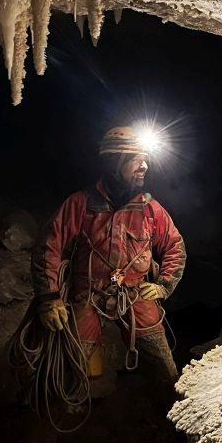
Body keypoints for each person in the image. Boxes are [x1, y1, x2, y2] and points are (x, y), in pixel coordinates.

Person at [30, 125, 186, 399]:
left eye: (146, 159)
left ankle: (169, 412)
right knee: (74, 366)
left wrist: (163, 285)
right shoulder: (80, 204)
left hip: (134, 295)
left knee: (163, 367)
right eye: (137, 159)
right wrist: (49, 299)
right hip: (89, 295)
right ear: (116, 162)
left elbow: (174, 246)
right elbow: (49, 249)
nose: (145, 166)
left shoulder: (150, 209)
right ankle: (76, 412)